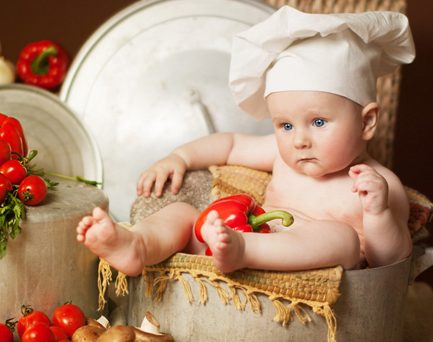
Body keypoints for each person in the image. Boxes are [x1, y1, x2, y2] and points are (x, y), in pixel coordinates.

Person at [76, 6, 416, 276]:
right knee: (182, 213)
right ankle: (138, 245)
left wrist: (378, 213)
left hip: (288, 257)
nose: (299, 140)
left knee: (341, 238)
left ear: (366, 122)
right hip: (244, 236)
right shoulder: (284, 157)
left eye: (318, 122)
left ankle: (242, 252)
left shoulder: (381, 185)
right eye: (285, 125)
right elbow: (231, 145)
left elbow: (393, 261)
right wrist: (179, 157)